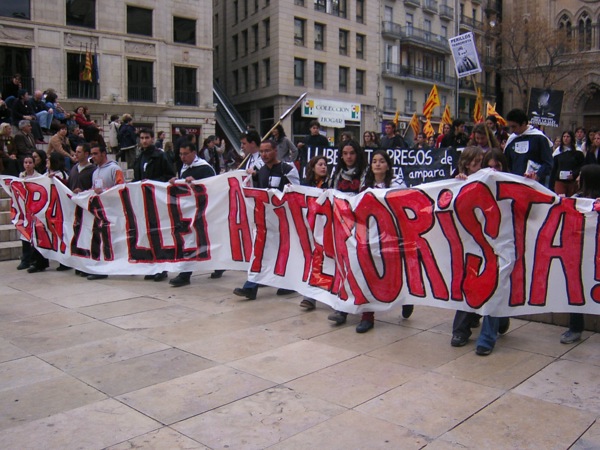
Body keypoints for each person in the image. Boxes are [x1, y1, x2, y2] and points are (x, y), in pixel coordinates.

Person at [347, 150, 411, 333]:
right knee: (367, 274)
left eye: (381, 161)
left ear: (388, 165)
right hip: (370, 236)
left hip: (393, 235)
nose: (377, 164)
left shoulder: (397, 182)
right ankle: (368, 316)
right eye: (374, 161)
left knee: (397, 271)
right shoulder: (365, 185)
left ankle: (406, 299)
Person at [233, 139, 300, 300]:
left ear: (276, 151)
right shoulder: (260, 170)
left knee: (284, 252)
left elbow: (297, 192)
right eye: (262, 151)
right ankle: (251, 286)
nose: (264, 155)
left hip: (284, 221)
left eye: (267, 151)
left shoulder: (288, 169)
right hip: (264, 220)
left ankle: (287, 284)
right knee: (259, 252)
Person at [559, 164, 600, 344]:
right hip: (580, 253)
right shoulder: (576, 199)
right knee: (576, 289)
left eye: (580, 176)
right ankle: (575, 327)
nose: (576, 179)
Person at [328, 140, 367, 325]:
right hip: (342, 229)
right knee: (345, 267)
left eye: (352, 153)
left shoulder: (366, 175)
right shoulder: (336, 176)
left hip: (362, 228)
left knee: (362, 268)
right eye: (345, 153)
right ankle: (342, 307)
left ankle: (368, 312)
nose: (349, 157)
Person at [168, 141, 217, 287]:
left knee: (202, 240)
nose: (182, 157)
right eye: (180, 154)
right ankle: (185, 273)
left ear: (194, 153)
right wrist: (175, 182)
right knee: (192, 241)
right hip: (189, 211)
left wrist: (197, 183)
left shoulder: (204, 168)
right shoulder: (183, 167)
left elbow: (212, 186)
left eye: (185, 154)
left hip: (203, 210)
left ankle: (185, 274)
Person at [133, 128, 176, 282]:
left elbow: (170, 176)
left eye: (147, 137)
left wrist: (152, 183)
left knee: (159, 234)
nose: (144, 140)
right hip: (145, 201)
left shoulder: (160, 156)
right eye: (142, 138)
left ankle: (162, 267)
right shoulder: (140, 158)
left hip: (158, 200)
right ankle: (152, 266)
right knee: (148, 234)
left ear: (152, 138)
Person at [86, 142, 125, 280]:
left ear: (104, 154)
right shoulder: (95, 171)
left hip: (113, 212)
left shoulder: (114, 169)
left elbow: (121, 187)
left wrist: (104, 191)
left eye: (96, 154)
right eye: (92, 154)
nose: (93, 157)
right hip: (100, 211)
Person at [298, 155, 329, 311]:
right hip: (309, 228)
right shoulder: (304, 185)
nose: (323, 167)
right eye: (320, 164)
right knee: (313, 261)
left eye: (325, 165)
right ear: (312, 167)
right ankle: (310, 297)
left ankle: (315, 297)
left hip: (326, 228)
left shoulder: (331, 184)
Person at [504, 108, 553, 182]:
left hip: (535, 183)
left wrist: (538, 175)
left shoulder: (539, 138)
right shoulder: (511, 140)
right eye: (510, 127)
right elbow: (506, 162)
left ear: (523, 124)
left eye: (514, 126)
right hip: (515, 182)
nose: (511, 130)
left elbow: (548, 163)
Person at [17, 155, 42, 271]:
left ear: (34, 164)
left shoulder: (39, 177)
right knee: (24, 234)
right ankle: (25, 259)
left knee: (35, 236)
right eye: (25, 162)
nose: (27, 164)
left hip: (35, 210)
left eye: (30, 162)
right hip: (24, 210)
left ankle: (34, 260)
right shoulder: (21, 176)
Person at [549, 130, 585, 197]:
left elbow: (581, 166)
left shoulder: (578, 152)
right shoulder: (558, 152)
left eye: (568, 137)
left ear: (571, 138)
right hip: (559, 181)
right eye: (564, 136)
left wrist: (574, 174)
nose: (565, 138)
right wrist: (551, 185)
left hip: (572, 182)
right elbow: (554, 169)